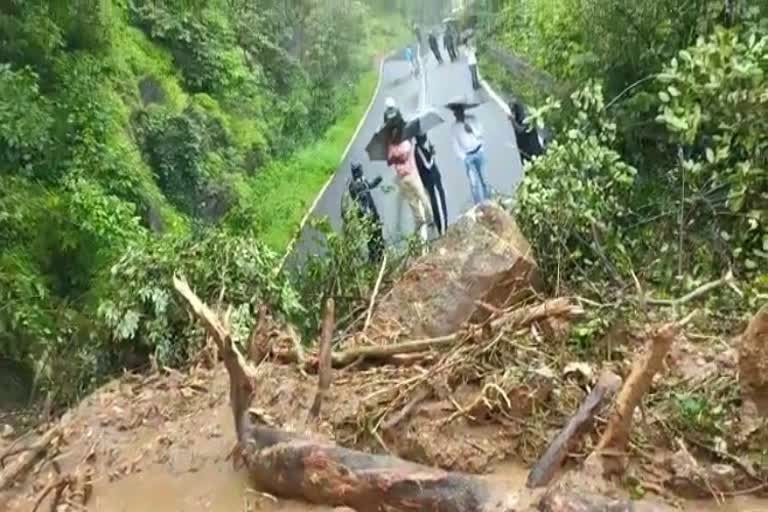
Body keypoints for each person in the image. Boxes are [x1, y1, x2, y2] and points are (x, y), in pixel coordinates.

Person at [383, 109, 434, 240]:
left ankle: (429, 217)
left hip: (410, 174)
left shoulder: (402, 144)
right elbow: (389, 160)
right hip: (404, 177)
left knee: (421, 196)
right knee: (414, 201)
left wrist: (395, 156)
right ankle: (421, 220)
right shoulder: (400, 144)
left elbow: (399, 156)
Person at [451, 105, 491, 204]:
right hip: (468, 156)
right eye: (456, 113)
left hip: (478, 151)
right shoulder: (454, 128)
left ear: (463, 111)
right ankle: (478, 206)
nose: (458, 115)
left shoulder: (472, 119)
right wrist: (464, 158)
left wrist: (472, 130)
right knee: (474, 184)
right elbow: (455, 145)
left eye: (459, 112)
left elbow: (481, 133)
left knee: (484, 180)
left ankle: (490, 202)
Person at [346, 162, 384, 263]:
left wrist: (377, 180)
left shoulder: (359, 182)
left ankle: (377, 254)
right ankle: (376, 257)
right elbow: (363, 201)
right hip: (368, 215)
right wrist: (368, 214)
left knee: (373, 235)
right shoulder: (357, 185)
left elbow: (369, 185)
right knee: (373, 235)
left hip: (367, 214)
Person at [414, 132, 448, 235]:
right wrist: (432, 155)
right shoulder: (419, 150)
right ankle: (442, 227)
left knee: (439, 201)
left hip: (433, 178)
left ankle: (443, 225)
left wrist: (430, 151)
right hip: (430, 180)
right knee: (437, 203)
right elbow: (428, 165)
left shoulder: (421, 148)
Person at [508, 99, 545, 165]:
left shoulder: (526, 119)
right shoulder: (517, 120)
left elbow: (522, 130)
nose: (512, 112)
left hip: (533, 150)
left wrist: (513, 122)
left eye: (513, 110)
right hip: (524, 152)